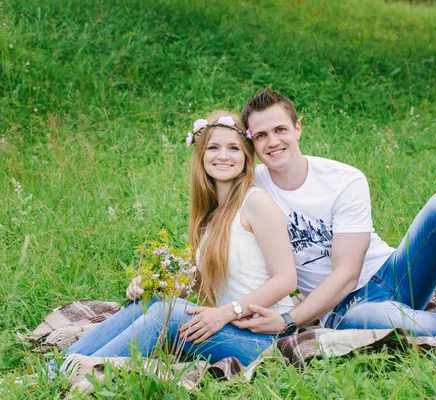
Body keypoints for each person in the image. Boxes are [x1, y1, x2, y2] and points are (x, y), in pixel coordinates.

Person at [232, 89, 436, 337]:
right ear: (252, 143)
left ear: (297, 128)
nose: (273, 141)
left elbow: (348, 273)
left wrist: (288, 320)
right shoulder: (252, 191)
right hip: (344, 310)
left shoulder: (343, 179)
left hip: (394, 276)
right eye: (261, 135)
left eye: (280, 129)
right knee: (391, 319)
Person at [66, 111, 297, 366]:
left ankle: (81, 373)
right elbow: (208, 281)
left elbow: (286, 280)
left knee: (168, 316)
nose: (223, 156)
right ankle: (64, 364)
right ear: (201, 155)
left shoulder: (256, 203)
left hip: (265, 339)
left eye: (233, 148)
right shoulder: (212, 214)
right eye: (213, 147)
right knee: (152, 300)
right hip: (231, 326)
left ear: (246, 156)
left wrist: (224, 314)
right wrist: (156, 284)